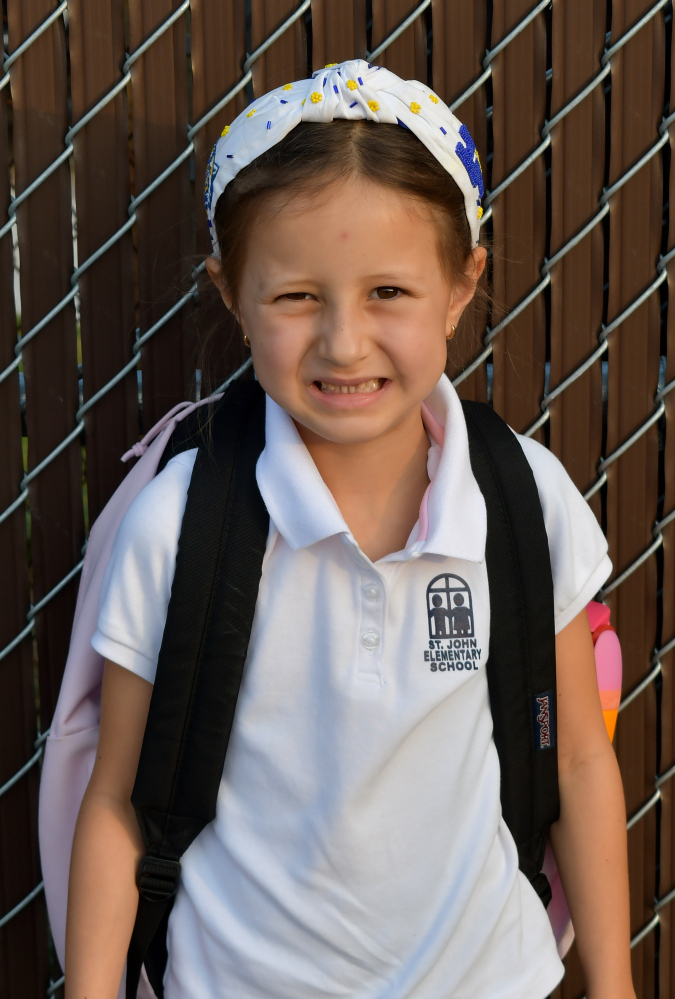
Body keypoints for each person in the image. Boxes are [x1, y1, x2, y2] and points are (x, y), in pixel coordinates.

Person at [65, 60, 634, 999]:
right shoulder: (180, 523)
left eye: (388, 293)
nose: (342, 341)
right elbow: (121, 801)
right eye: (296, 296)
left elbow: (575, 756)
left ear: (461, 284)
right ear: (230, 293)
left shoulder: (522, 497)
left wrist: (613, 986)